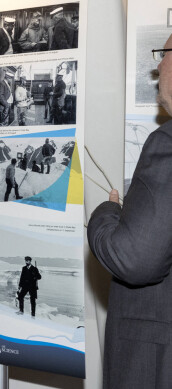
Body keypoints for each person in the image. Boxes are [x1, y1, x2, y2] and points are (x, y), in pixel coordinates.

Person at [87, 33, 172, 388]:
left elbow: (134, 258)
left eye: (164, 54)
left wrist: (106, 214)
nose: (158, 66)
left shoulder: (167, 142)